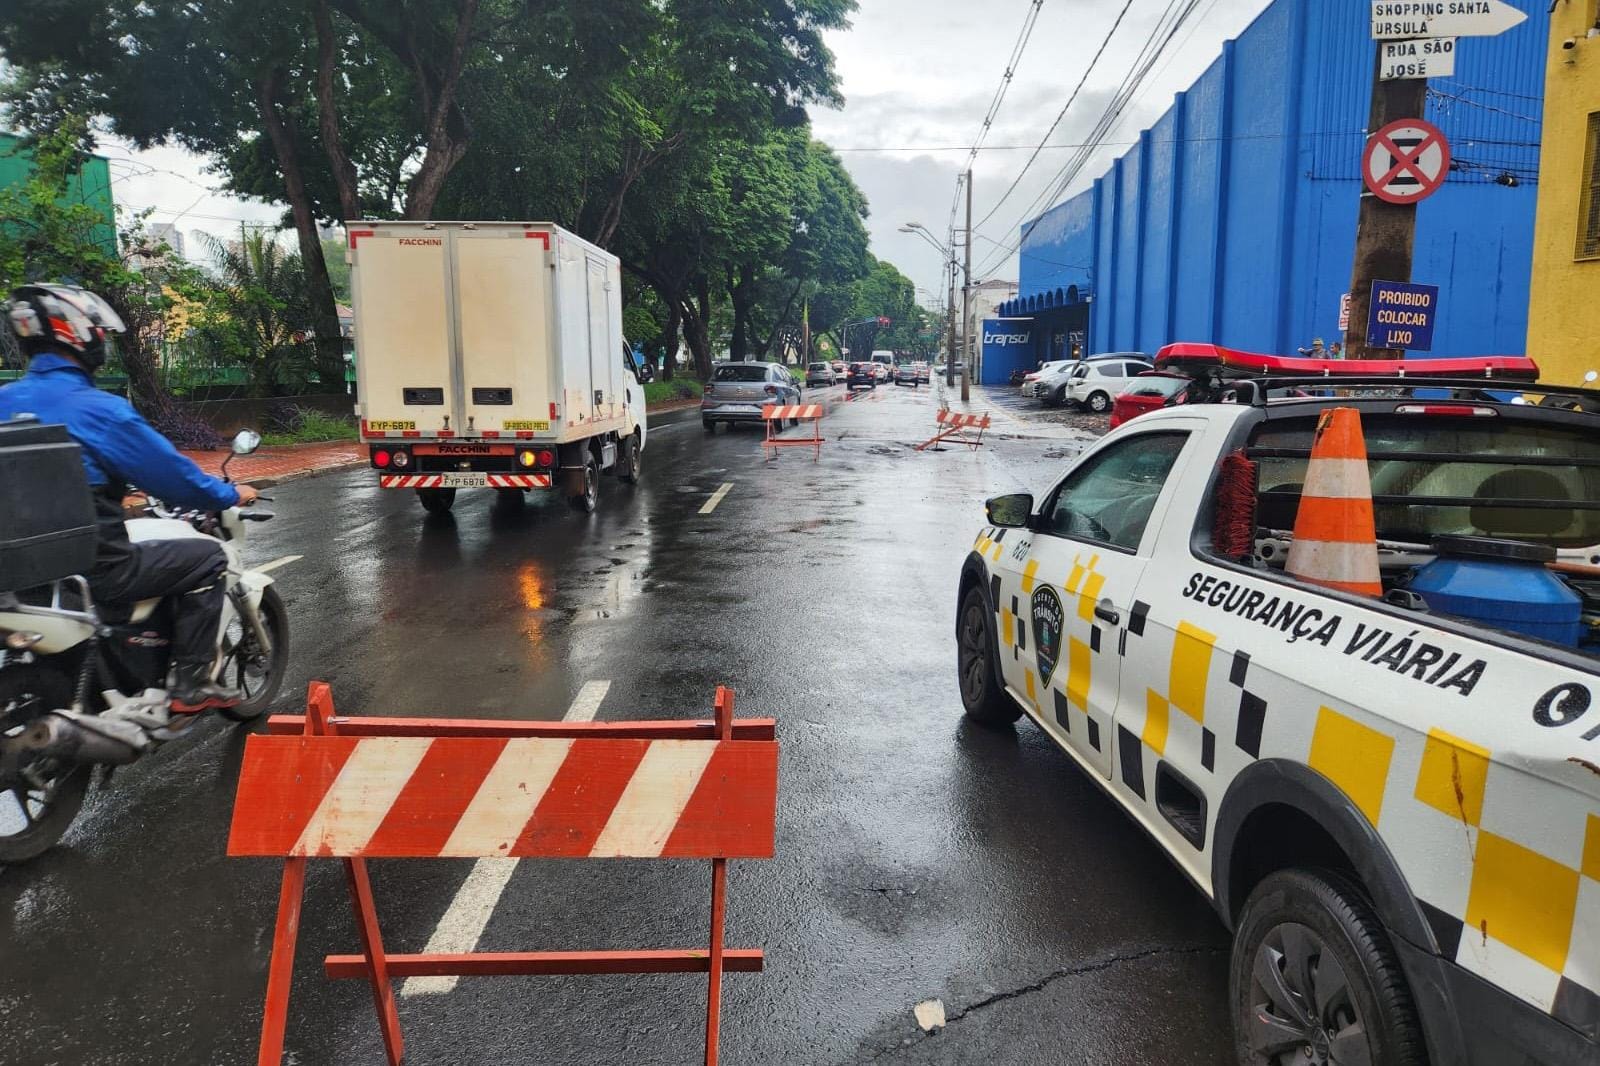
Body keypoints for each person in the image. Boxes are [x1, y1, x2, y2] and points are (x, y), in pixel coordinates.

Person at [0, 283, 258, 712]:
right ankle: (189, 683)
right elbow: (175, 479)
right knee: (207, 559)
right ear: (78, 333)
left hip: (15, 574)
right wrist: (228, 492)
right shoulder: (98, 409)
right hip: (95, 570)